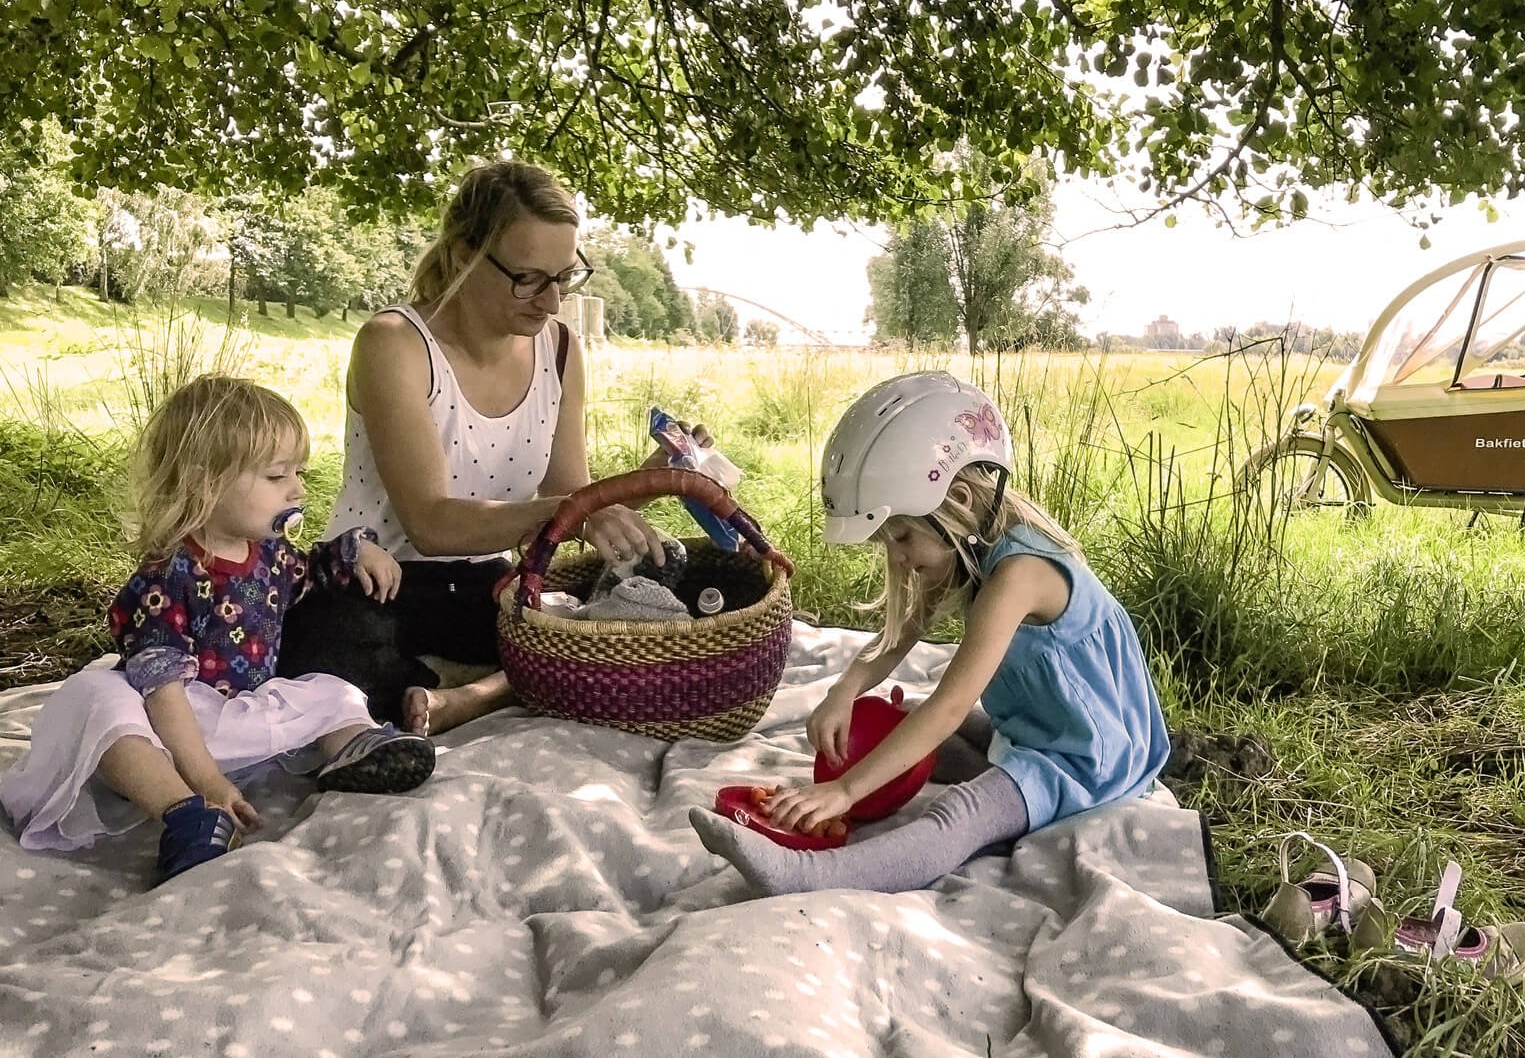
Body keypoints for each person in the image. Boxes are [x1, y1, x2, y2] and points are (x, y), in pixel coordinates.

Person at [690, 372, 1171, 895]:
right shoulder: (974, 542)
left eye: (900, 535)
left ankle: (810, 876)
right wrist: (845, 688)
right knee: (909, 724)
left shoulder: (1018, 576)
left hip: (1082, 762)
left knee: (961, 809)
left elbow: (950, 705)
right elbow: (900, 634)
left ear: (958, 497)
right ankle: (893, 792)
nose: (897, 555)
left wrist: (846, 792)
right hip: (1041, 728)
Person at [276, 160, 678, 735]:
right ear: (465, 256)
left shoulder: (561, 349)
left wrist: (644, 482)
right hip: (373, 580)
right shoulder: (394, 343)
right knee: (330, 656)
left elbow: (566, 497)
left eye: (565, 277)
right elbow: (432, 526)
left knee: (610, 638)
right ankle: (479, 686)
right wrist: (578, 512)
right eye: (529, 278)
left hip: (482, 582)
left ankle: (460, 697)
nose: (552, 301)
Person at [0, 377, 436, 884]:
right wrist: (207, 780)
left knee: (332, 690)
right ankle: (185, 811)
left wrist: (356, 549)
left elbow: (312, 570)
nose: (298, 489)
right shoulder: (170, 575)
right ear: (207, 483)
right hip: (169, 725)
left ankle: (357, 749)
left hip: (238, 715)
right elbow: (161, 692)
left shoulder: (269, 555)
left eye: (299, 473)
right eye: (278, 476)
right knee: (99, 697)